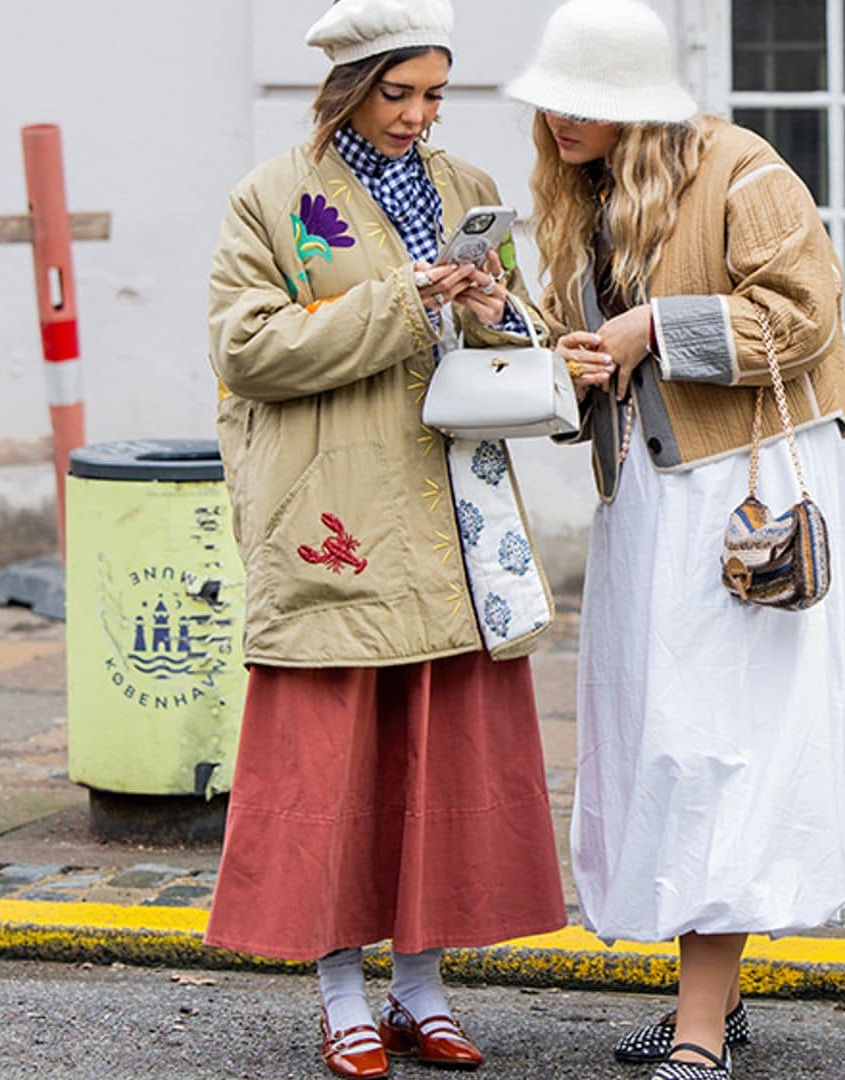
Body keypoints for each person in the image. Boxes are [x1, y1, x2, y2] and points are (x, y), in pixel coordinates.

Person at [202, 1, 566, 1076]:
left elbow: (516, 335)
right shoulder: (273, 196)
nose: (418, 115)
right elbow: (248, 348)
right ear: (348, 88)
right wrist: (406, 299)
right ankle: (340, 993)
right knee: (330, 766)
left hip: (452, 512)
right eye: (397, 93)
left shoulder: (468, 190)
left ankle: (422, 985)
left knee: (437, 760)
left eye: (434, 94)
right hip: (335, 514)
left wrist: (496, 305)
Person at [505, 1, 845, 1077]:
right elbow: (590, 374)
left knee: (720, 747)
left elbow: (805, 316)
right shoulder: (583, 193)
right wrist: (535, 341)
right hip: (648, 503)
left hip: (742, 503)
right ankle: (715, 1000)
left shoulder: (742, 169)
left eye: (582, 101)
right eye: (551, 100)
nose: (559, 119)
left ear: (632, 102)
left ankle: (701, 1034)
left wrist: (654, 326)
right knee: (662, 744)